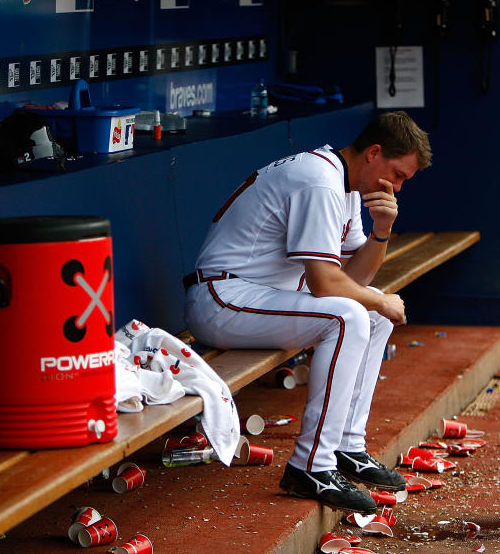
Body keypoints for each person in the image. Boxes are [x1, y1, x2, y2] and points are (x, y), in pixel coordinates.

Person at [183, 110, 432, 514]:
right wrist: (379, 298)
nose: (398, 186)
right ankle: (310, 466)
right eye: (398, 174)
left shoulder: (346, 186)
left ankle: (347, 446)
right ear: (373, 153)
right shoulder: (320, 181)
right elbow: (326, 285)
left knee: (371, 313)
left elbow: (352, 278)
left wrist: (381, 230)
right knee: (349, 315)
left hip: (260, 299)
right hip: (221, 298)